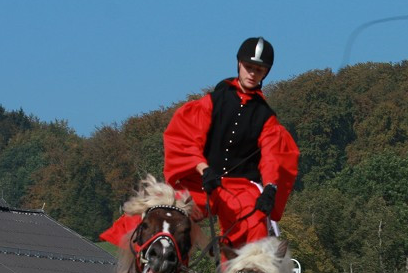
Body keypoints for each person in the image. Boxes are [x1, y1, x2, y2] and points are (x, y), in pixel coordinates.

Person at [101, 37, 299, 251]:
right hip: (202, 182)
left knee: (255, 223)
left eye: (259, 70)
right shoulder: (211, 102)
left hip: (240, 189)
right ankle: (140, 262)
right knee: (163, 209)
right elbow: (186, 138)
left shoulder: (267, 117)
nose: (252, 74)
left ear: (266, 73)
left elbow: (273, 156)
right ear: (239, 64)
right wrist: (203, 169)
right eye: (248, 67)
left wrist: (270, 187)